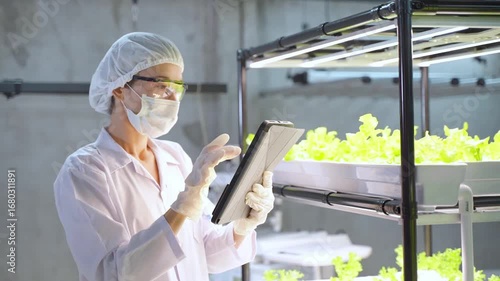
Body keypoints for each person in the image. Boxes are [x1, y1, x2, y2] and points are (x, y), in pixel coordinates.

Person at [53, 32, 275, 281]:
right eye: (161, 85)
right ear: (119, 88)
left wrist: (243, 225)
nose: (173, 98)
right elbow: (112, 273)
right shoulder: (85, 170)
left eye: (178, 87)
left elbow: (205, 252)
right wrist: (182, 205)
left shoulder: (175, 156)